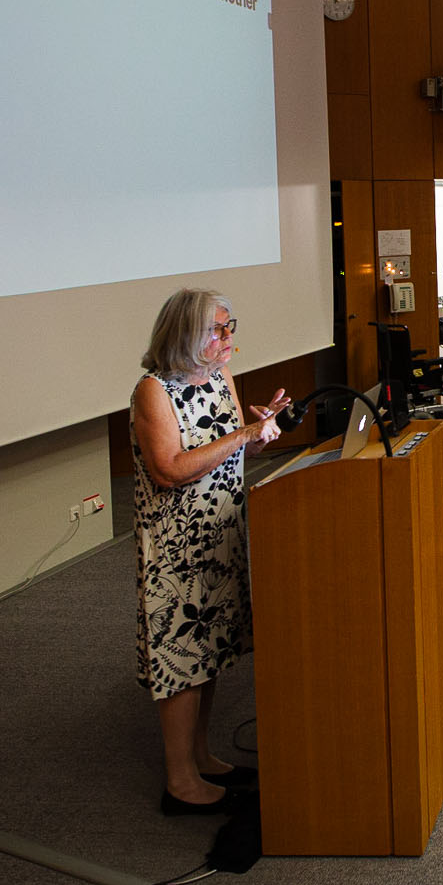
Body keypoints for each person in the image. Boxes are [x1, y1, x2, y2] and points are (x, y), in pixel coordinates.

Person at [130, 288, 286, 815]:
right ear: (184, 334)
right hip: (177, 549)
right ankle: (179, 779)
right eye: (216, 330)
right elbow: (171, 468)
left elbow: (232, 446)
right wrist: (243, 433)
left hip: (222, 532)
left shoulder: (219, 378)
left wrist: (260, 434)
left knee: (211, 649)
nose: (228, 339)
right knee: (181, 659)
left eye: (229, 327)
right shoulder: (153, 391)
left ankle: (201, 754)